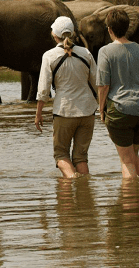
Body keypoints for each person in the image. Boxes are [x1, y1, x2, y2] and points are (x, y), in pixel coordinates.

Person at [35, 16, 97, 178]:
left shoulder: (49, 56)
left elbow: (43, 90)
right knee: (81, 157)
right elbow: (98, 84)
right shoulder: (86, 53)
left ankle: (72, 181)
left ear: (54, 35)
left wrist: (38, 113)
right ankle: (85, 192)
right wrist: (103, 107)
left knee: (61, 155)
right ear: (74, 34)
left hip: (64, 112)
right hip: (88, 111)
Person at [96, 8, 139, 179]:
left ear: (110, 29)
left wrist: (101, 110)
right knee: (133, 156)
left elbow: (103, 86)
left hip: (120, 111)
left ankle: (129, 201)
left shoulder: (105, 52)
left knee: (127, 161)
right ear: (128, 27)